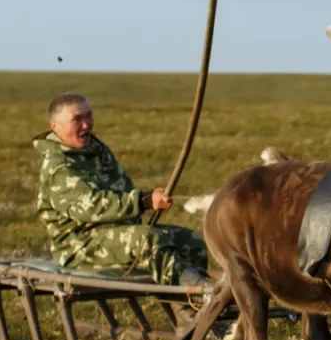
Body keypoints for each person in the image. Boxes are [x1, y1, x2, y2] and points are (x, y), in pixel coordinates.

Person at [33, 92, 210, 286]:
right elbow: (90, 207)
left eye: (88, 115)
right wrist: (142, 202)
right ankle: (201, 295)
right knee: (147, 240)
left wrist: (150, 197)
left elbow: (121, 189)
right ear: (55, 127)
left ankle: (189, 309)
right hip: (79, 245)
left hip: (116, 233)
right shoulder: (58, 165)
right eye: (77, 119)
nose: (86, 124)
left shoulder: (96, 150)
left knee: (190, 241)